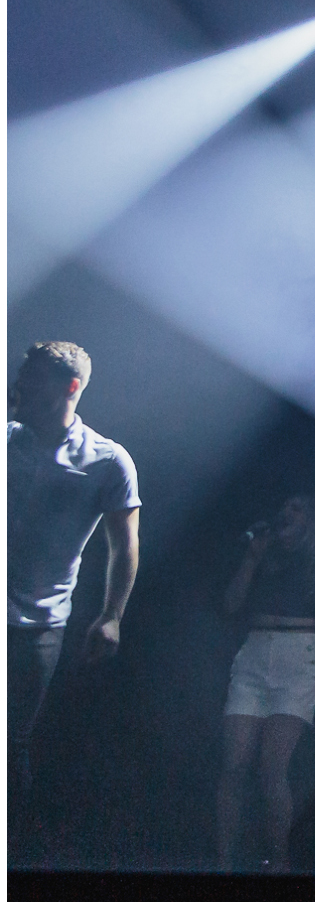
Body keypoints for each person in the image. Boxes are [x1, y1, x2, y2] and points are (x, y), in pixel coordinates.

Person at [7, 341, 140, 848]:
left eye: (32, 377)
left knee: (12, 740)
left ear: (69, 387)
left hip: (37, 625)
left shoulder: (107, 460)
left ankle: (11, 860)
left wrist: (112, 616)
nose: (21, 385)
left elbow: (125, 546)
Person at [217, 494, 315, 871]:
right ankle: (223, 862)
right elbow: (231, 604)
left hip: (298, 657)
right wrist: (251, 559)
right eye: (285, 507)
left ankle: (279, 862)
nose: (286, 513)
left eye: (297, 508)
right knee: (234, 763)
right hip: (255, 654)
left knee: (272, 767)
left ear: (312, 520)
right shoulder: (264, 552)